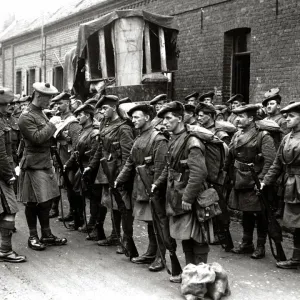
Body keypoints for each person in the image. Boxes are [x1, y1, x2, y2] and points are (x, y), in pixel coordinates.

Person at [116, 104, 182, 277]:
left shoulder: (158, 138)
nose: (133, 120)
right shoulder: (139, 137)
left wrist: (156, 188)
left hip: (154, 187)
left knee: (160, 223)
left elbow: (161, 168)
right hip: (142, 186)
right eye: (132, 118)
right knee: (150, 222)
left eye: (137, 117)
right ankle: (151, 252)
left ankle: (162, 257)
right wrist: (119, 180)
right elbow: (130, 162)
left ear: (147, 118)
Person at [152, 101, 211, 282]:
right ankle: (189, 273)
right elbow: (169, 168)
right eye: (163, 118)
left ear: (179, 119)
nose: (165, 122)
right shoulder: (174, 138)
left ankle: (200, 278)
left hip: (192, 196)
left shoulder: (191, 141)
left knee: (198, 236)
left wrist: (188, 197)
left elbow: (199, 172)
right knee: (185, 235)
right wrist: (158, 183)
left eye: (169, 118)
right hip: (177, 194)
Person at [84, 95, 136, 257]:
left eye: (105, 108)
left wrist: (122, 177)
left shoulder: (124, 127)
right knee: (111, 204)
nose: (102, 111)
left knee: (123, 207)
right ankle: (115, 236)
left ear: (114, 108)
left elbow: (128, 155)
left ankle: (126, 240)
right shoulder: (104, 125)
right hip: (107, 170)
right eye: (101, 109)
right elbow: (100, 148)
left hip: (119, 172)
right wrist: (91, 166)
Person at [18, 82, 67, 251]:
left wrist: (59, 132)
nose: (51, 101)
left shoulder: (40, 113)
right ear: (38, 96)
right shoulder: (26, 116)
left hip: (45, 162)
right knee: (32, 202)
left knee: (46, 201)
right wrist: (53, 124)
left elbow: (46, 136)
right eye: (49, 98)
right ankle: (33, 236)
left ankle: (46, 234)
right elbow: (37, 138)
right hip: (33, 165)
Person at [224, 104, 276, 259]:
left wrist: (261, 180)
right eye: (237, 116)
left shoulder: (262, 136)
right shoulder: (237, 134)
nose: (238, 119)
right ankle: (247, 242)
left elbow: (270, 160)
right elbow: (230, 156)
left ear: (251, 118)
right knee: (245, 212)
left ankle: (260, 245)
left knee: (260, 214)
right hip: (239, 178)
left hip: (255, 179)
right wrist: (226, 175)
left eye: (242, 116)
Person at [261, 101, 300, 269]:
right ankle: (296, 258)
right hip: (291, 186)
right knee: (297, 224)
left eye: (291, 116)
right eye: (286, 116)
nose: (287, 119)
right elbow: (277, 163)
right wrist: (265, 181)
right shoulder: (287, 137)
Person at [64, 104, 107, 241]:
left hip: (92, 169)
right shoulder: (82, 131)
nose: (77, 118)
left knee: (95, 198)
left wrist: (89, 167)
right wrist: (69, 164)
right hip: (82, 167)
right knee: (85, 195)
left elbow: (95, 152)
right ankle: (88, 222)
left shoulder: (93, 131)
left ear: (88, 116)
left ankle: (94, 225)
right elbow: (76, 150)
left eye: (79, 115)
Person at [0, 87, 26, 263]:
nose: (10, 107)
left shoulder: (3, 121)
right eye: (6, 104)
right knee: (10, 210)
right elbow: (1, 154)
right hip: (2, 173)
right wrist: (9, 174)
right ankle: (5, 250)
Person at [51, 92, 82, 222]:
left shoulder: (72, 122)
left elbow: (76, 144)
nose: (58, 106)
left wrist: (70, 161)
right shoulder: (58, 119)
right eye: (56, 104)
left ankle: (76, 215)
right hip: (60, 158)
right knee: (65, 187)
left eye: (60, 103)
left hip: (70, 160)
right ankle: (72, 213)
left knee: (72, 188)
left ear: (68, 103)